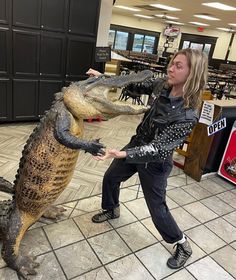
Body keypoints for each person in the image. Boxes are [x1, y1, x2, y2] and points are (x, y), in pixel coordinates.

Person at [87, 48, 208, 269]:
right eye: (172, 63)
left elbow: (158, 148)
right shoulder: (163, 85)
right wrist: (105, 79)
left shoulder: (188, 114)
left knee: (157, 209)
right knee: (111, 177)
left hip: (155, 162)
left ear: (193, 73)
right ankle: (111, 208)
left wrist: (122, 153)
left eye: (178, 66)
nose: (171, 68)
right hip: (137, 143)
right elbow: (134, 84)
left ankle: (182, 243)